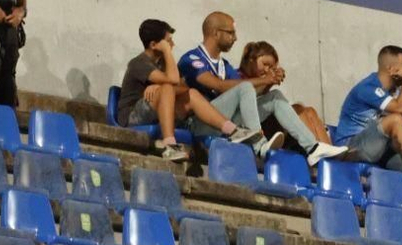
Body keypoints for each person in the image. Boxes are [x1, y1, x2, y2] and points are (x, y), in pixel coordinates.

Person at [178, 12, 348, 165]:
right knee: (246, 87)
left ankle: (313, 148)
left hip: (225, 122)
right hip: (199, 124)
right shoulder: (192, 58)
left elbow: (246, 94)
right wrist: (264, 79)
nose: (235, 38)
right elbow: (218, 86)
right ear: (215, 33)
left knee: (275, 97)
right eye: (230, 32)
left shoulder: (225, 65)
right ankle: (259, 146)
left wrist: (269, 82)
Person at [117, 19, 263, 161]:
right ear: (154, 45)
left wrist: (161, 85)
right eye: (168, 42)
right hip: (132, 118)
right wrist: (167, 56)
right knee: (167, 87)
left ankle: (233, 131)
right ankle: (169, 146)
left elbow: (184, 87)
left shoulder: (163, 63)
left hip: (159, 111)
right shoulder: (139, 63)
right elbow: (172, 81)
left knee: (191, 94)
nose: (172, 44)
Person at [332, 45, 402, 178]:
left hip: (377, 149)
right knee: (395, 120)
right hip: (350, 148)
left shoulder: (395, 90)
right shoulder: (368, 87)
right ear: (391, 69)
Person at [237, 41, 332, 151]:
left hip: (267, 123)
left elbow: (261, 98)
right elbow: (248, 99)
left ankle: (328, 152)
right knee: (296, 109)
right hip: (253, 128)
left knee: (308, 110)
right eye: (265, 64)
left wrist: (269, 83)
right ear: (251, 60)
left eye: (271, 67)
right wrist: (266, 81)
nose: (267, 69)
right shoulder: (237, 76)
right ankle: (315, 150)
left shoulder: (260, 79)